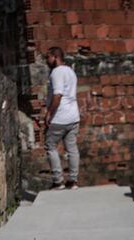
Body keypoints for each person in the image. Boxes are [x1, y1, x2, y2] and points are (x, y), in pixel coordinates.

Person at [44, 46, 80, 190]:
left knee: (50, 146)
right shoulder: (70, 71)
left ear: (55, 57)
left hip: (60, 117)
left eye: (48, 57)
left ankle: (58, 181)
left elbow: (58, 95)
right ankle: (73, 180)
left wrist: (49, 113)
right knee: (71, 148)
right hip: (73, 117)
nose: (47, 60)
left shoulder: (56, 72)